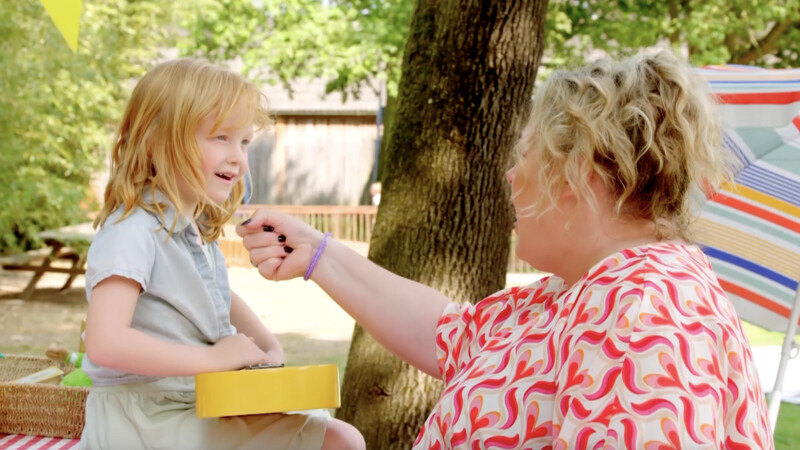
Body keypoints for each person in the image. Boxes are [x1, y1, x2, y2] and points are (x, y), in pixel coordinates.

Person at [238, 48, 775, 449]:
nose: (512, 177)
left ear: (574, 176)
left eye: (526, 155)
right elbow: (449, 333)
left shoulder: (648, 310)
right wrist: (317, 254)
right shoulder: (583, 292)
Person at [80, 58, 365, 450]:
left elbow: (218, 297)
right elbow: (105, 342)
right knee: (337, 441)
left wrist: (269, 346)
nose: (239, 157)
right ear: (158, 139)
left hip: (195, 402)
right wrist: (212, 361)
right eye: (221, 138)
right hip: (145, 419)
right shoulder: (132, 231)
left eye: (245, 141)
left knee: (326, 428)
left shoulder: (193, 226)